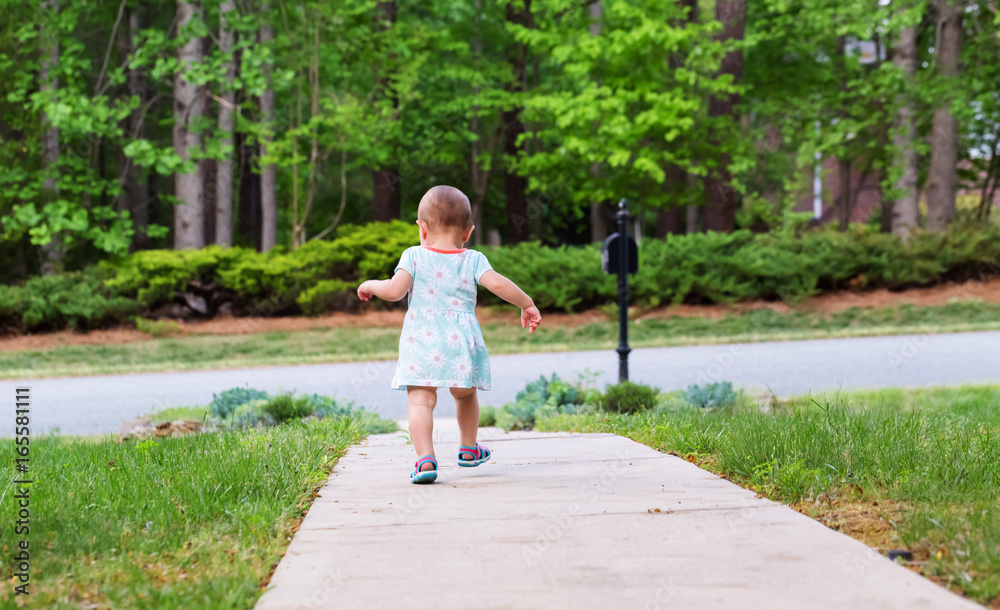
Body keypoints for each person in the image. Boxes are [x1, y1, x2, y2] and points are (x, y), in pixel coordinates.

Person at [357, 185, 542, 483]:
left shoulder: (413, 256)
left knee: (420, 401)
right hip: (460, 342)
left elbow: (393, 291)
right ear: (467, 233)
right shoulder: (473, 259)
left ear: (422, 227)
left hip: (421, 340)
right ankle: (469, 448)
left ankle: (425, 460)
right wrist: (527, 304)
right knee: (465, 394)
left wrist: (369, 285)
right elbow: (498, 284)